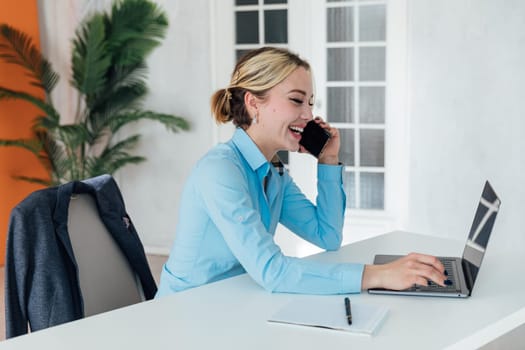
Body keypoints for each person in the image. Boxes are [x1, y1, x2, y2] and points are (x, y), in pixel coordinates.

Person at [156, 47, 447, 297]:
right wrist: (378, 275)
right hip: (186, 314)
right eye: (296, 100)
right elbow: (272, 271)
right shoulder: (219, 170)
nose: (308, 115)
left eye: (310, 102)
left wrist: (328, 160)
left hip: (234, 304)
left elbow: (327, 236)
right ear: (254, 103)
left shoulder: (274, 172)